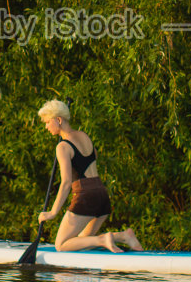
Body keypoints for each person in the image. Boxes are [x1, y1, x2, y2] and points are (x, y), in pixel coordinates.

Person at [35, 99, 143, 253]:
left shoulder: (62, 146)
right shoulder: (84, 136)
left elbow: (66, 183)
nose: (46, 126)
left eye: (47, 122)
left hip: (86, 196)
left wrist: (52, 213)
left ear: (58, 120)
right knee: (81, 242)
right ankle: (123, 236)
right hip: (102, 195)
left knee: (62, 245)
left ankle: (104, 239)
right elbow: (93, 157)